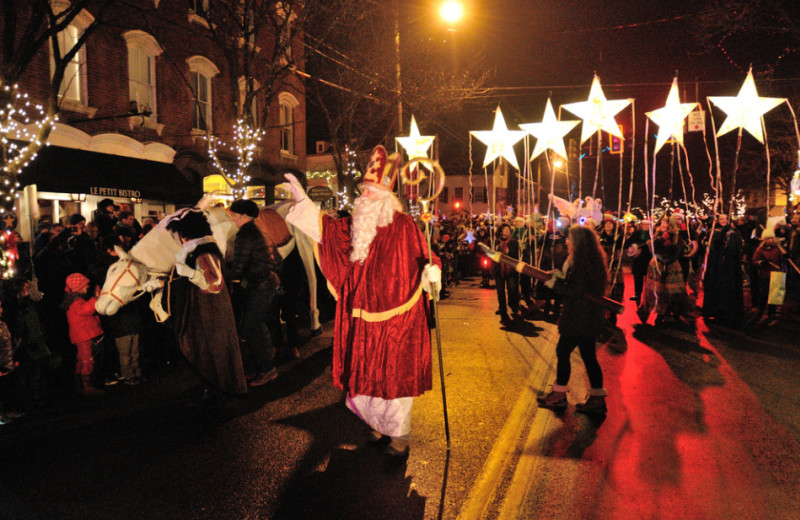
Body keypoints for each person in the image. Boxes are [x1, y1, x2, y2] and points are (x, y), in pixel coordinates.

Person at [284, 145, 441, 458]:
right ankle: (377, 424)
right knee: (367, 375)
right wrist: (303, 202)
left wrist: (433, 270)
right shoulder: (354, 227)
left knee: (394, 379)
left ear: (386, 198)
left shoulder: (406, 227)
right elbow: (326, 230)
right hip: (363, 319)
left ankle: (398, 435)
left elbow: (427, 257)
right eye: (363, 191)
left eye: (371, 192)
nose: (364, 197)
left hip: (399, 321)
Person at [164, 209, 247, 406]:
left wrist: (190, 274)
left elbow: (214, 284)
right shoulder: (200, 250)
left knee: (214, 350)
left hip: (211, 312)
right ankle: (213, 386)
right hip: (204, 310)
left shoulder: (204, 252)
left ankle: (220, 389)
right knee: (207, 350)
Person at [537, 225, 609, 416]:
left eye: (570, 238)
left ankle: (560, 396)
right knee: (587, 357)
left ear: (579, 242)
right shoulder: (588, 259)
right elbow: (577, 284)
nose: (567, 241)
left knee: (564, 351)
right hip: (587, 316)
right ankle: (596, 400)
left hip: (580, 317)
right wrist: (560, 276)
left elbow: (576, 290)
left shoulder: (582, 261)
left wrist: (554, 283)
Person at [228, 199, 282, 387]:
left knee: (251, 327)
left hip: (258, 284)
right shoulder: (261, 230)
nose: (233, 219)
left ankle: (267, 369)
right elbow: (278, 259)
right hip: (268, 282)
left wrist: (231, 279)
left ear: (243, 216)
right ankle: (266, 360)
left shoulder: (245, 234)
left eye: (234, 215)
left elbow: (239, 264)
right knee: (257, 324)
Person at [638, 216, 689, 325]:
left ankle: (674, 311)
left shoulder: (676, 236)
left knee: (672, 290)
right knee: (658, 290)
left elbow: (678, 252)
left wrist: (671, 245)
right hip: (658, 265)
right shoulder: (656, 235)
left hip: (672, 265)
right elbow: (652, 248)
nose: (664, 225)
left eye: (667, 223)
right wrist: (660, 240)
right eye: (662, 223)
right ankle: (659, 313)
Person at [61, 273, 105, 397]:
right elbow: (86, 310)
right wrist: (95, 298)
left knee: (81, 359)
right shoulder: (76, 301)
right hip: (84, 335)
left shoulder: (72, 300)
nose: (87, 286)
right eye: (85, 285)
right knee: (87, 360)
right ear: (78, 287)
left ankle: (79, 385)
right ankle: (87, 386)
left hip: (80, 336)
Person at [702, 214, 744, 323]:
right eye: (721, 218)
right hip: (716, 265)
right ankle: (715, 310)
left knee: (729, 287)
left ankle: (729, 311)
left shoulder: (734, 233)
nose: (723, 220)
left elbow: (738, 248)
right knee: (717, 286)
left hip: (729, 266)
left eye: (725, 218)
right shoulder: (713, 232)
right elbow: (711, 246)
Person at [752, 226, 783, 321]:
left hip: (776, 274)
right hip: (765, 274)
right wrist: (761, 262)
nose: (770, 240)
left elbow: (783, 258)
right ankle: (761, 311)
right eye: (768, 238)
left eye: (771, 238)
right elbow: (754, 260)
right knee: (764, 294)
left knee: (775, 295)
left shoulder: (778, 248)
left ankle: (772, 312)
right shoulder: (760, 249)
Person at [494, 223, 521, 323]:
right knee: (500, 291)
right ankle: (502, 310)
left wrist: (506, 253)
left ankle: (514, 306)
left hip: (511, 270)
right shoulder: (496, 242)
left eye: (508, 229)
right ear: (501, 231)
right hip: (499, 271)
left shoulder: (514, 242)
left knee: (512, 289)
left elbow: (515, 256)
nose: (507, 231)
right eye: (505, 229)